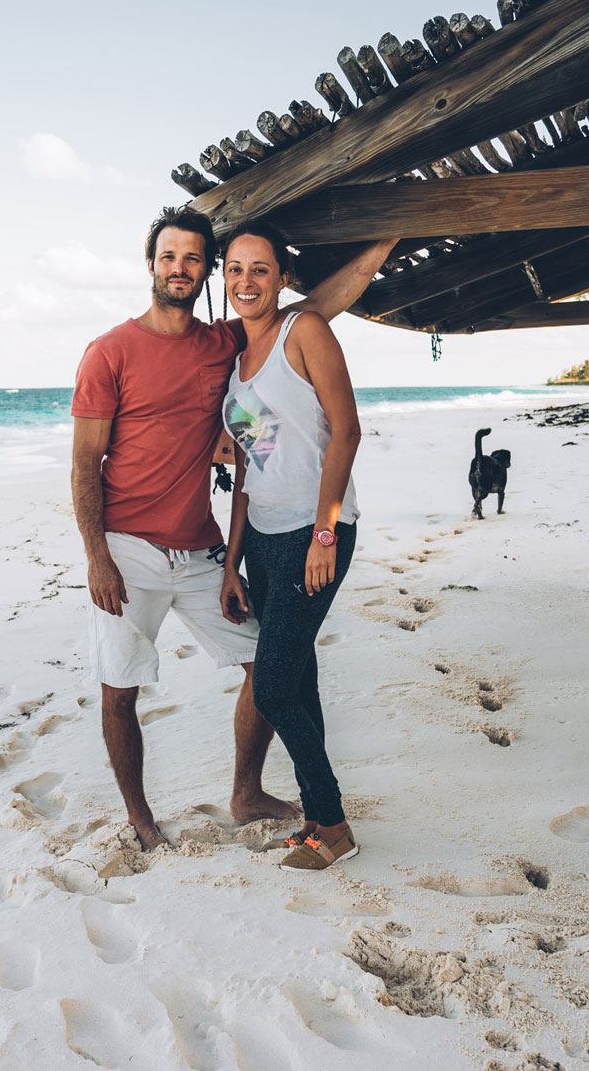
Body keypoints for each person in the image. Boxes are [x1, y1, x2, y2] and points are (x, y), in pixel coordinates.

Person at [70, 205, 391, 851]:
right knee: (122, 686)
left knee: (270, 671)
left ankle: (262, 798)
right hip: (142, 548)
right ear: (152, 265)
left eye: (193, 258)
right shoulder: (124, 353)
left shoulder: (240, 341)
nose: (180, 268)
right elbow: (88, 462)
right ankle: (140, 817)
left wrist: (387, 237)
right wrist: (96, 556)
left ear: (204, 271)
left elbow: (312, 316)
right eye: (169, 256)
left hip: (221, 547)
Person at [217, 220, 363, 870]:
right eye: (236, 270)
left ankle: (330, 823)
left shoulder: (304, 333)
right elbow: (254, 464)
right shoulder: (235, 369)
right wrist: (231, 562)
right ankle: (315, 819)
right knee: (296, 680)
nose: (246, 281)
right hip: (264, 539)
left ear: (281, 279)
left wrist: (326, 530)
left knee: (273, 687)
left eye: (260, 269)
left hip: (316, 531)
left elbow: (346, 434)